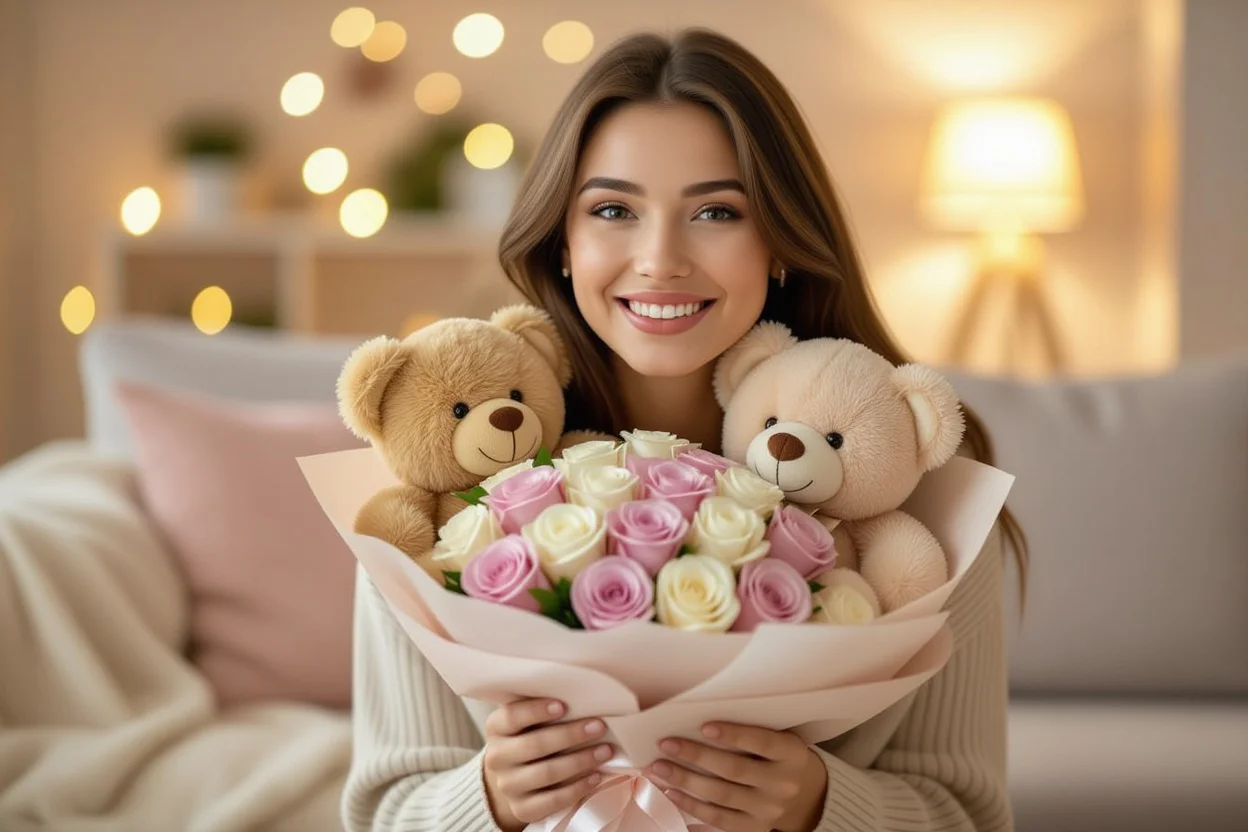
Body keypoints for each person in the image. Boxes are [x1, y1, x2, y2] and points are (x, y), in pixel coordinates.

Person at [342, 27, 1028, 832]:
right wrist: (487, 799)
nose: (661, 259)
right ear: (564, 243)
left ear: (778, 242)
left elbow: (970, 816)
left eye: (714, 211)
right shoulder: (436, 491)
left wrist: (820, 806)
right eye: (613, 210)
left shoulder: (919, 489)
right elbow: (387, 809)